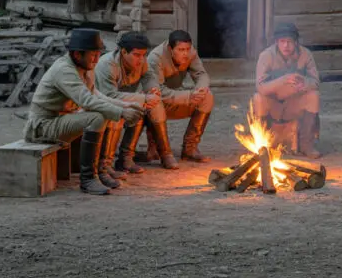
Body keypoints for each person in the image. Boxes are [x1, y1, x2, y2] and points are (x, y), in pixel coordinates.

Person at [24, 28, 144, 195]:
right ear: (77, 54)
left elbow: (95, 94)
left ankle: (101, 170)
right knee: (96, 117)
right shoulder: (64, 70)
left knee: (104, 112)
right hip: (43, 126)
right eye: (92, 54)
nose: (96, 59)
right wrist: (121, 113)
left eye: (97, 54)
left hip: (62, 120)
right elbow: (86, 101)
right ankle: (88, 179)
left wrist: (124, 106)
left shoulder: (85, 68)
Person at [94, 31, 164, 187]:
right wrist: (144, 99)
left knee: (139, 111)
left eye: (144, 55)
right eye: (137, 55)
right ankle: (105, 165)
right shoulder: (107, 65)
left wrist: (153, 90)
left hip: (124, 102)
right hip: (100, 105)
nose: (141, 59)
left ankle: (126, 159)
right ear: (123, 52)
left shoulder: (141, 60)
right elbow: (109, 96)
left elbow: (149, 76)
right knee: (117, 116)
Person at [145, 29, 214, 165]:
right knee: (155, 103)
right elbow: (158, 92)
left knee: (208, 97)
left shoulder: (191, 53)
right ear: (171, 49)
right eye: (181, 50)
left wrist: (201, 89)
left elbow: (201, 74)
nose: (185, 53)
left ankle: (190, 149)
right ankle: (159, 150)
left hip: (176, 97)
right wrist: (189, 96)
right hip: (154, 102)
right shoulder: (155, 58)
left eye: (187, 49)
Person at [254, 22, 321, 159]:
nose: (286, 45)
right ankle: (263, 144)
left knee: (313, 96)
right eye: (282, 41)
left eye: (289, 41)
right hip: (274, 104)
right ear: (276, 42)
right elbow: (260, 87)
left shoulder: (305, 54)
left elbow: (315, 82)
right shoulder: (266, 56)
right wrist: (283, 79)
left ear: (296, 42)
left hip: (293, 104)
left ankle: (306, 145)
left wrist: (305, 84)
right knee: (258, 99)